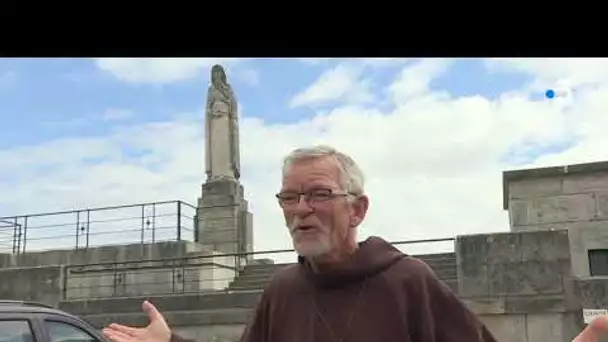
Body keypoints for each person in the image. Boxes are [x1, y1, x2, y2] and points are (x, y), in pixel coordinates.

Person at [102, 145, 608, 342]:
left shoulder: (408, 281)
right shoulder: (282, 290)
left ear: (358, 209)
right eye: (289, 197)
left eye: (319, 195)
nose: (301, 209)